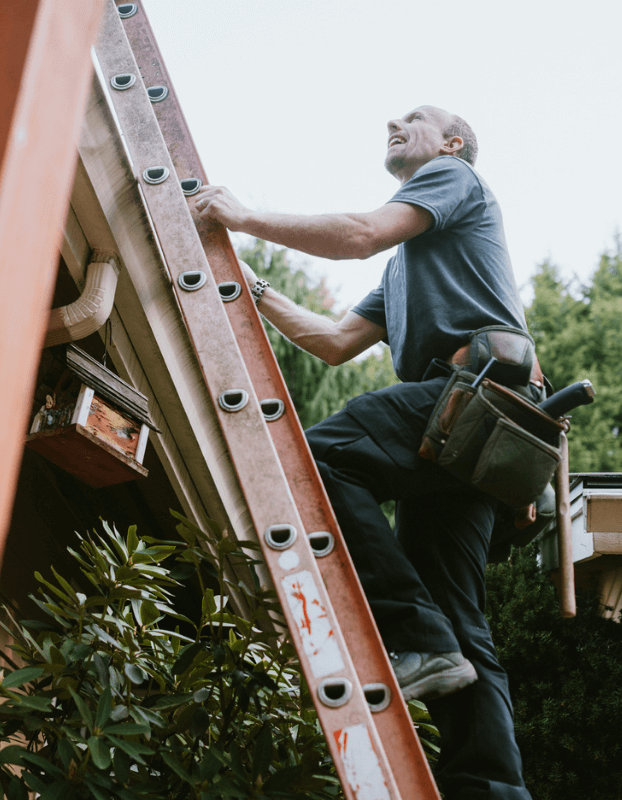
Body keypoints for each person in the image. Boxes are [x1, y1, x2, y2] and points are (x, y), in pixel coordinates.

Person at [196, 105, 535, 799]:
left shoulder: (454, 178)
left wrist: (244, 217)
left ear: (453, 143)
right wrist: (249, 287)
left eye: (414, 116)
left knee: (311, 458)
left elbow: (358, 235)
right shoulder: (409, 269)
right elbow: (332, 341)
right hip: (481, 439)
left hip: (478, 404)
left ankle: (414, 632)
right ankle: (491, 789)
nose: (393, 119)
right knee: (461, 623)